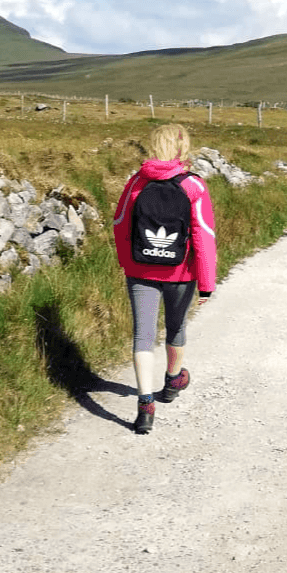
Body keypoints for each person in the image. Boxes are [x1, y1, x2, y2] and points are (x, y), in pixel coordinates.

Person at [111, 123, 217, 434]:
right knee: (176, 327)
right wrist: (207, 283)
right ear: (183, 147)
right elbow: (204, 236)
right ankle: (173, 380)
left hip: (140, 270)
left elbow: (119, 223)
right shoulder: (194, 186)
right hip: (180, 272)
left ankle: (145, 406)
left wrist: (126, 261)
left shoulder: (136, 183)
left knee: (143, 336)